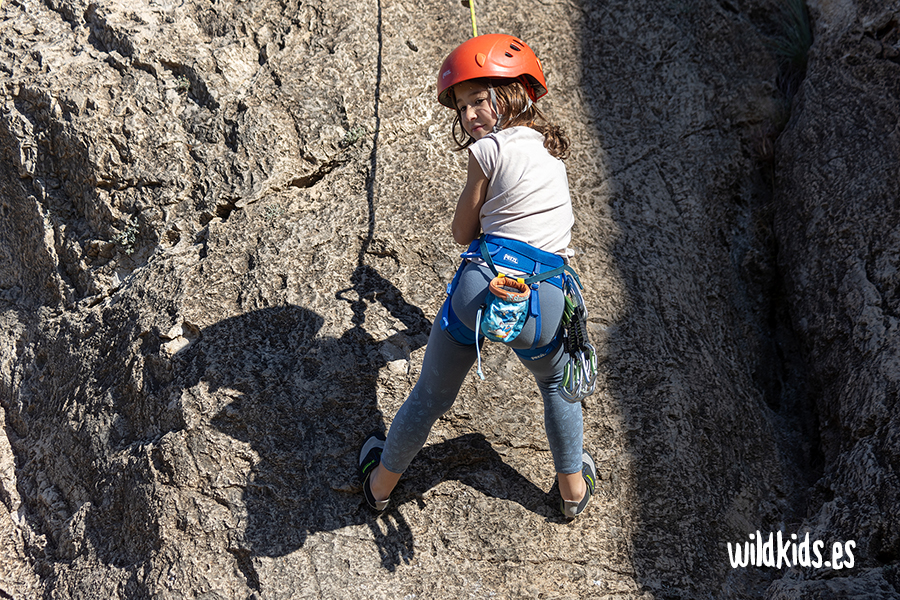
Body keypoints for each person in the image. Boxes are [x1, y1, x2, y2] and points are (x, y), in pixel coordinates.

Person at [359, 34, 596, 519]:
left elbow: (462, 231)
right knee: (555, 385)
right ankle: (572, 493)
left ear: (512, 95)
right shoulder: (554, 153)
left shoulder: (486, 152)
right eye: (462, 107)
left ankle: (380, 486)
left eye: (478, 100)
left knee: (431, 395)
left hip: (481, 286)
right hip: (546, 295)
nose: (469, 115)